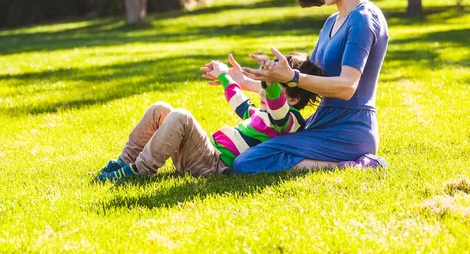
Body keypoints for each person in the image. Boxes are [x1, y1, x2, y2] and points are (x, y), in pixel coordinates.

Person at [214, 0, 389, 173]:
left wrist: (292, 77)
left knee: (247, 162)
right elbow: (301, 87)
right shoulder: (331, 22)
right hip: (322, 123)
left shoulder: (363, 18)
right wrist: (246, 82)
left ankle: (355, 165)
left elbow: (347, 87)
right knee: (247, 156)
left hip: (349, 131)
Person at [96, 53, 324, 181]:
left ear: (293, 99)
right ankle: (124, 161)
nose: (263, 90)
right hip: (204, 156)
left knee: (181, 117)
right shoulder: (263, 115)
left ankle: (140, 170)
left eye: (270, 84)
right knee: (160, 108)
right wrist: (226, 77)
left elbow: (277, 106)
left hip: (214, 165)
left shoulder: (288, 121)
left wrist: (271, 82)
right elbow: (241, 103)